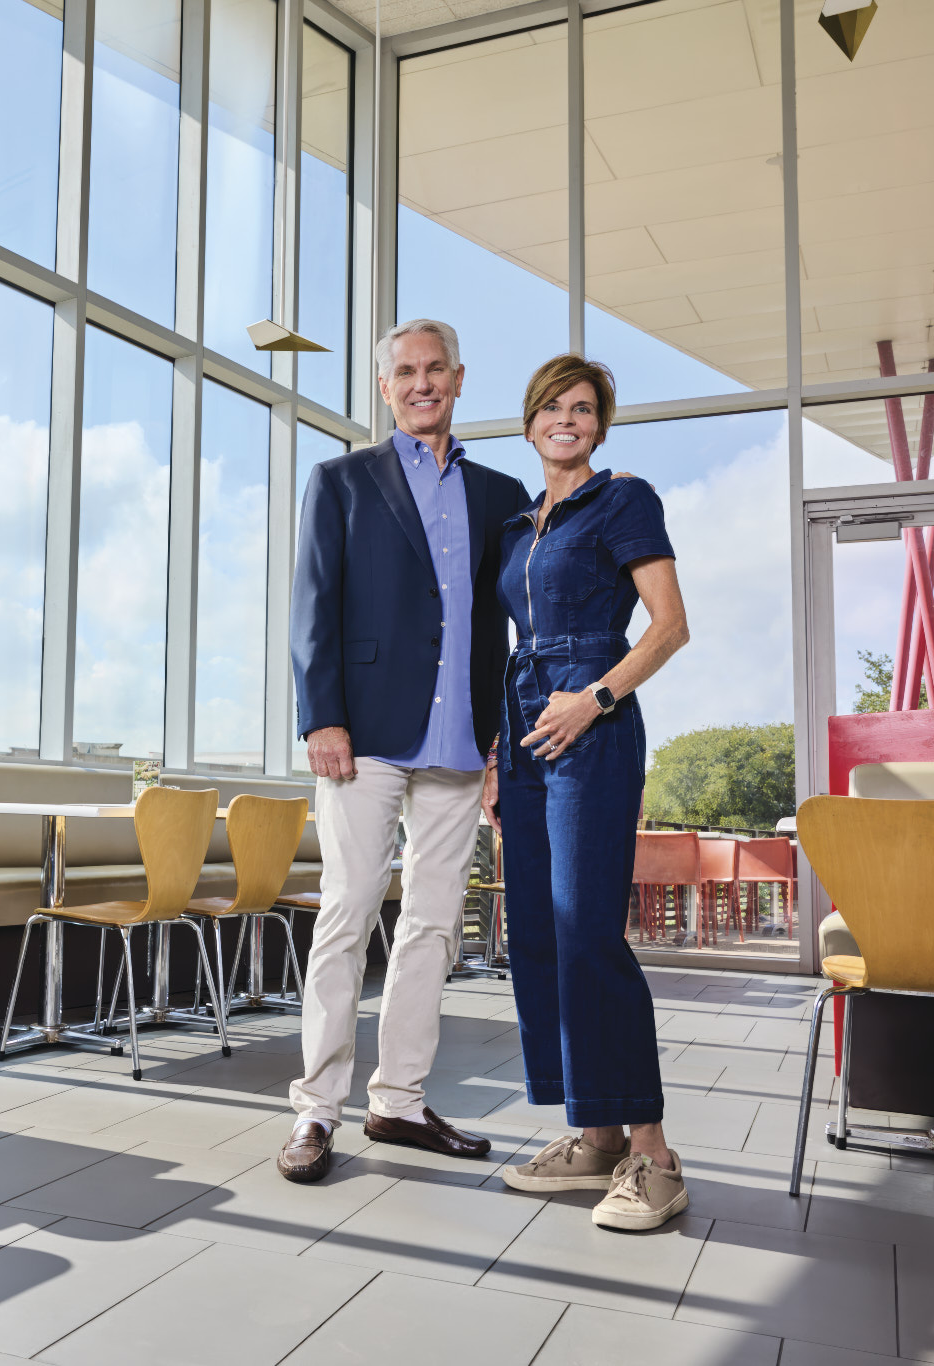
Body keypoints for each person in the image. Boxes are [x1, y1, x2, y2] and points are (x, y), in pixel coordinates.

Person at [280, 319, 531, 1184]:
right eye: (404, 373)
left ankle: (399, 1102)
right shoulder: (341, 482)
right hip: (364, 739)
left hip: (463, 741)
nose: (421, 383)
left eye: (435, 370)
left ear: (458, 379)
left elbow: (511, 624)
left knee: (432, 928)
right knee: (346, 919)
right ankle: (316, 1112)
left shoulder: (502, 495)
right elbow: (314, 608)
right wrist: (321, 717)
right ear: (385, 387)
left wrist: (503, 737)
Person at [486, 354, 693, 1231]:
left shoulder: (624, 500)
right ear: (531, 422)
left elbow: (670, 626)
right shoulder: (514, 526)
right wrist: (501, 751)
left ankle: (654, 1154)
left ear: (600, 428)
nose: (566, 419)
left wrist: (596, 697)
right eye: (551, 407)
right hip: (525, 726)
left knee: (587, 932)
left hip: (591, 720)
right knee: (534, 931)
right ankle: (596, 1133)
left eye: (583, 408)